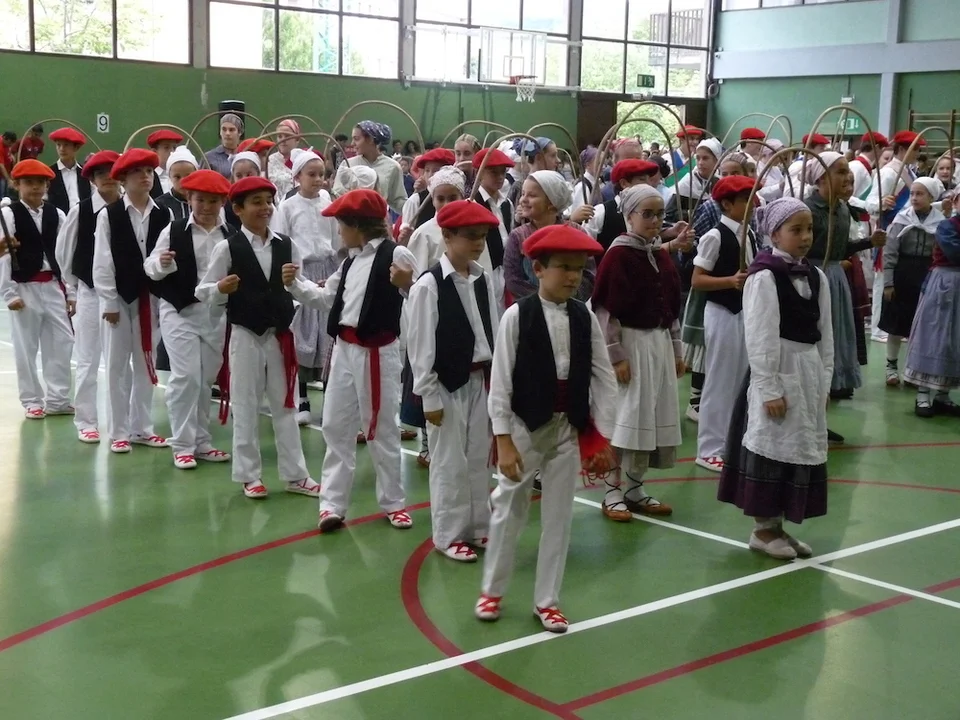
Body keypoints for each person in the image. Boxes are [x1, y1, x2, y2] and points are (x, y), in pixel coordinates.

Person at [475, 224, 617, 633]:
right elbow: (500, 383)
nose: (573, 277)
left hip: (567, 428)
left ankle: (547, 600)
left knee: (559, 515)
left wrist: (602, 435)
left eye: (579, 268)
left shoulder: (584, 316)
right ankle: (493, 589)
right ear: (537, 269)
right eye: (563, 268)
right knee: (509, 508)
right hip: (524, 426)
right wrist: (504, 440)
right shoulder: (517, 316)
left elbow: (603, 377)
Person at [281, 188, 418, 531]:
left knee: (382, 427)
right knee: (335, 425)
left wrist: (408, 284)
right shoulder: (350, 262)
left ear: (358, 225)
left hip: (379, 352)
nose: (338, 232)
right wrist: (295, 285)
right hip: (344, 350)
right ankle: (332, 504)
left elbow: (419, 298)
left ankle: (394, 502)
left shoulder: (396, 253)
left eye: (341, 224)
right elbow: (326, 297)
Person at [717, 197, 834, 560]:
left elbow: (825, 335)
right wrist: (769, 387)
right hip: (778, 370)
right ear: (774, 234)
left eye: (809, 229)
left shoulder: (817, 277)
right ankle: (763, 528)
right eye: (796, 230)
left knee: (797, 447)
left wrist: (825, 380)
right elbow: (759, 335)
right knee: (772, 446)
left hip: (808, 370)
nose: (805, 237)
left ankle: (778, 525)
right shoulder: (764, 276)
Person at [194, 176, 320, 498]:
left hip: (279, 336)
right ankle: (249, 475)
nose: (265, 208)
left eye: (268, 201)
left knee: (286, 405)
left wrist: (305, 288)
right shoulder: (227, 247)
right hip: (245, 335)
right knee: (246, 405)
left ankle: (296, 475)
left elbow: (299, 287)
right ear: (237, 209)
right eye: (256, 202)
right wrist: (220, 288)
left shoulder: (286, 245)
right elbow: (203, 291)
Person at [406, 200, 502, 562]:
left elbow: (492, 329)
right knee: (449, 461)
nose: (478, 243)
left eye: (482, 236)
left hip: (479, 378)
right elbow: (420, 347)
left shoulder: (482, 278)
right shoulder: (428, 286)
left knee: (479, 456)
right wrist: (428, 395)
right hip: (445, 382)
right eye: (470, 236)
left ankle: (478, 525)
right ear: (446, 236)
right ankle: (448, 534)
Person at [592, 184, 682, 520]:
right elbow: (606, 311)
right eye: (647, 214)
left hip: (657, 345)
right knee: (625, 418)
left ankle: (634, 487)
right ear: (629, 216)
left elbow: (671, 309)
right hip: (631, 345)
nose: (655, 221)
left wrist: (676, 350)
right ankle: (612, 490)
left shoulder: (660, 255)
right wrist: (616, 355)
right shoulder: (618, 255)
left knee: (650, 415)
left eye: (659, 214)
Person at [143, 169, 233, 469]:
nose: (206, 207)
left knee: (206, 379)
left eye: (213, 201)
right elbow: (150, 267)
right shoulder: (174, 230)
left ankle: (202, 441)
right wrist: (162, 263)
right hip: (179, 310)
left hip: (214, 314)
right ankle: (182, 444)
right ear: (189, 199)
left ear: (222, 202)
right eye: (199, 200)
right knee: (186, 377)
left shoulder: (230, 235)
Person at [93, 148, 171, 453]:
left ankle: (142, 427)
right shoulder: (109, 215)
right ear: (123, 179)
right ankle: (119, 431)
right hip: (119, 298)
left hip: (150, 298)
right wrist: (109, 302)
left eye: (149, 171)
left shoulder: (164, 214)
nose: (146, 177)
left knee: (145, 363)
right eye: (138, 172)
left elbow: (167, 257)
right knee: (116, 365)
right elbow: (102, 261)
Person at [805, 152, 885, 411]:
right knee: (815, 332)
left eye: (847, 171)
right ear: (820, 178)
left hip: (835, 277)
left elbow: (840, 247)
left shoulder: (841, 208)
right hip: (811, 275)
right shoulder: (807, 210)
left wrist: (868, 242)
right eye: (839, 171)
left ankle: (831, 387)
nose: (847, 176)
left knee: (835, 333)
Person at [692, 175, 759, 473]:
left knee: (740, 380)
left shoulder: (750, 234)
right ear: (728, 204)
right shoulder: (715, 236)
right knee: (719, 380)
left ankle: (731, 442)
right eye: (746, 200)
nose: (753, 205)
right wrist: (730, 280)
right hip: (722, 313)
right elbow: (697, 280)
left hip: (745, 312)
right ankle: (708, 449)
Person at [0, 159, 73, 419]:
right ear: (16, 185)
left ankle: (58, 399)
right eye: (28, 182)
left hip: (53, 285)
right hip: (24, 286)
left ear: (47, 186)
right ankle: (31, 400)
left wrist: (70, 292)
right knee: (26, 346)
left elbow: (65, 256)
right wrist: (9, 293)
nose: (35, 187)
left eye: (40, 183)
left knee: (63, 341)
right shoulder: (9, 214)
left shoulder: (57, 214)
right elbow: (4, 255)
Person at [272, 148, 340, 426]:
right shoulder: (287, 207)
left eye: (322, 174)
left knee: (327, 337)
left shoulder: (327, 202)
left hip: (327, 270)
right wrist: (293, 276)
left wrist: (335, 270)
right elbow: (282, 240)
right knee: (302, 336)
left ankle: (330, 396)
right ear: (297, 177)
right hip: (301, 272)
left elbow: (336, 239)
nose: (318, 179)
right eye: (312, 174)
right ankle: (301, 396)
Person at [56, 150, 121, 442]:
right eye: (100, 173)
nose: (107, 177)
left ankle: (122, 423)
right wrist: (73, 288)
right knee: (87, 359)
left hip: (123, 296)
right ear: (92, 180)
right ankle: (86, 420)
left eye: (112, 172)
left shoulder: (128, 209)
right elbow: (64, 252)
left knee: (120, 362)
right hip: (90, 292)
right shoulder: (80, 211)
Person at [879, 177, 945, 391]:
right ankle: (891, 366)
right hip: (902, 275)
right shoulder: (901, 220)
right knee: (896, 324)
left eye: (920, 194)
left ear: (932, 197)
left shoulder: (940, 222)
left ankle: (912, 369)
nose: (915, 198)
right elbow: (890, 253)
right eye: (913, 193)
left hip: (926, 277)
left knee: (920, 326)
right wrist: (888, 283)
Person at [503, 170, 595, 303]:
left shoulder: (577, 233)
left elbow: (589, 275)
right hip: (531, 308)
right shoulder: (518, 236)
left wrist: (567, 299)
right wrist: (543, 301)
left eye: (532, 195)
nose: (523, 200)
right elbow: (513, 280)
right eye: (523, 194)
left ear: (551, 203)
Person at [904, 214, 960, 415]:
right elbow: (954, 252)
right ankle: (923, 394)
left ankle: (943, 395)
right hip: (944, 284)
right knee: (933, 337)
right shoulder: (947, 226)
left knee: (954, 340)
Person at [471, 147, 516, 309]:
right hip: (484, 268)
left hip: (505, 269)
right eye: (493, 172)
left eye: (503, 172)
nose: (500, 177)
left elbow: (509, 232)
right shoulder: (474, 204)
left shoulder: (506, 203)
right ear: (480, 173)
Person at [332, 121, 406, 216]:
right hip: (350, 220)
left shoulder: (392, 167)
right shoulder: (347, 164)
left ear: (370, 139)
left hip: (379, 220)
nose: (352, 143)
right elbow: (337, 196)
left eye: (356, 139)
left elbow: (398, 201)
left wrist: (416, 201)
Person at [398, 148, 455, 243]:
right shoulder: (415, 200)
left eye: (436, 171)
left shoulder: (461, 198)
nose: (430, 175)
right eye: (427, 170)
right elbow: (405, 239)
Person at [507, 137, 558, 211]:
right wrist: (518, 216)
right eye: (553, 156)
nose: (558, 160)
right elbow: (509, 214)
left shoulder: (554, 185)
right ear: (538, 157)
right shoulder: (519, 186)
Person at [46, 128, 91, 213]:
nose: (62, 149)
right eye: (58, 145)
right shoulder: (49, 173)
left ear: (76, 148)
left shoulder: (85, 173)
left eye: (66, 145)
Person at [155, 146, 199, 222]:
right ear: (170, 177)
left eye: (188, 176)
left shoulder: (203, 201)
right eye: (177, 177)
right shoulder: (160, 205)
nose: (183, 181)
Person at [267, 118, 302, 199]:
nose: (283, 140)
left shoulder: (304, 159)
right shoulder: (270, 161)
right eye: (280, 136)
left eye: (287, 136)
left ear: (297, 139)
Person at [147, 129, 185, 198]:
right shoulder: (148, 176)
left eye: (174, 148)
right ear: (154, 152)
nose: (172, 152)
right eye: (166, 148)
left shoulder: (182, 174)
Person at [206, 114, 243, 179]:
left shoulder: (245, 155)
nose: (227, 133)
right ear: (220, 132)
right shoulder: (209, 157)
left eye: (231, 130)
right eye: (224, 129)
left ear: (239, 132)